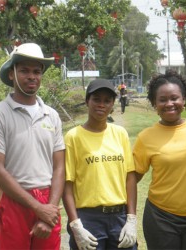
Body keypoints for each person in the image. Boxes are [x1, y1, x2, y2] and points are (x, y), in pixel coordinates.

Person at [0, 43, 65, 250]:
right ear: (12, 74)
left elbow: (59, 167)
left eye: (37, 71)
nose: (31, 76)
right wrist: (38, 207)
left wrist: (49, 210)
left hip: (48, 200)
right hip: (13, 201)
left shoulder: (51, 115)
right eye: (24, 70)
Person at [133, 69, 186, 249]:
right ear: (154, 103)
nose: (169, 104)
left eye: (174, 98)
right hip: (160, 217)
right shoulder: (146, 137)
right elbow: (132, 177)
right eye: (162, 99)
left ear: (184, 100)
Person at [62, 79, 137, 250]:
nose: (101, 105)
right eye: (96, 99)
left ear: (113, 104)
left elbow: (130, 177)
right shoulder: (73, 137)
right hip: (88, 219)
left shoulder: (120, 134)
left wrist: (131, 218)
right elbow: (67, 185)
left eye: (107, 100)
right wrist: (75, 225)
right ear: (87, 101)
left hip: (120, 216)